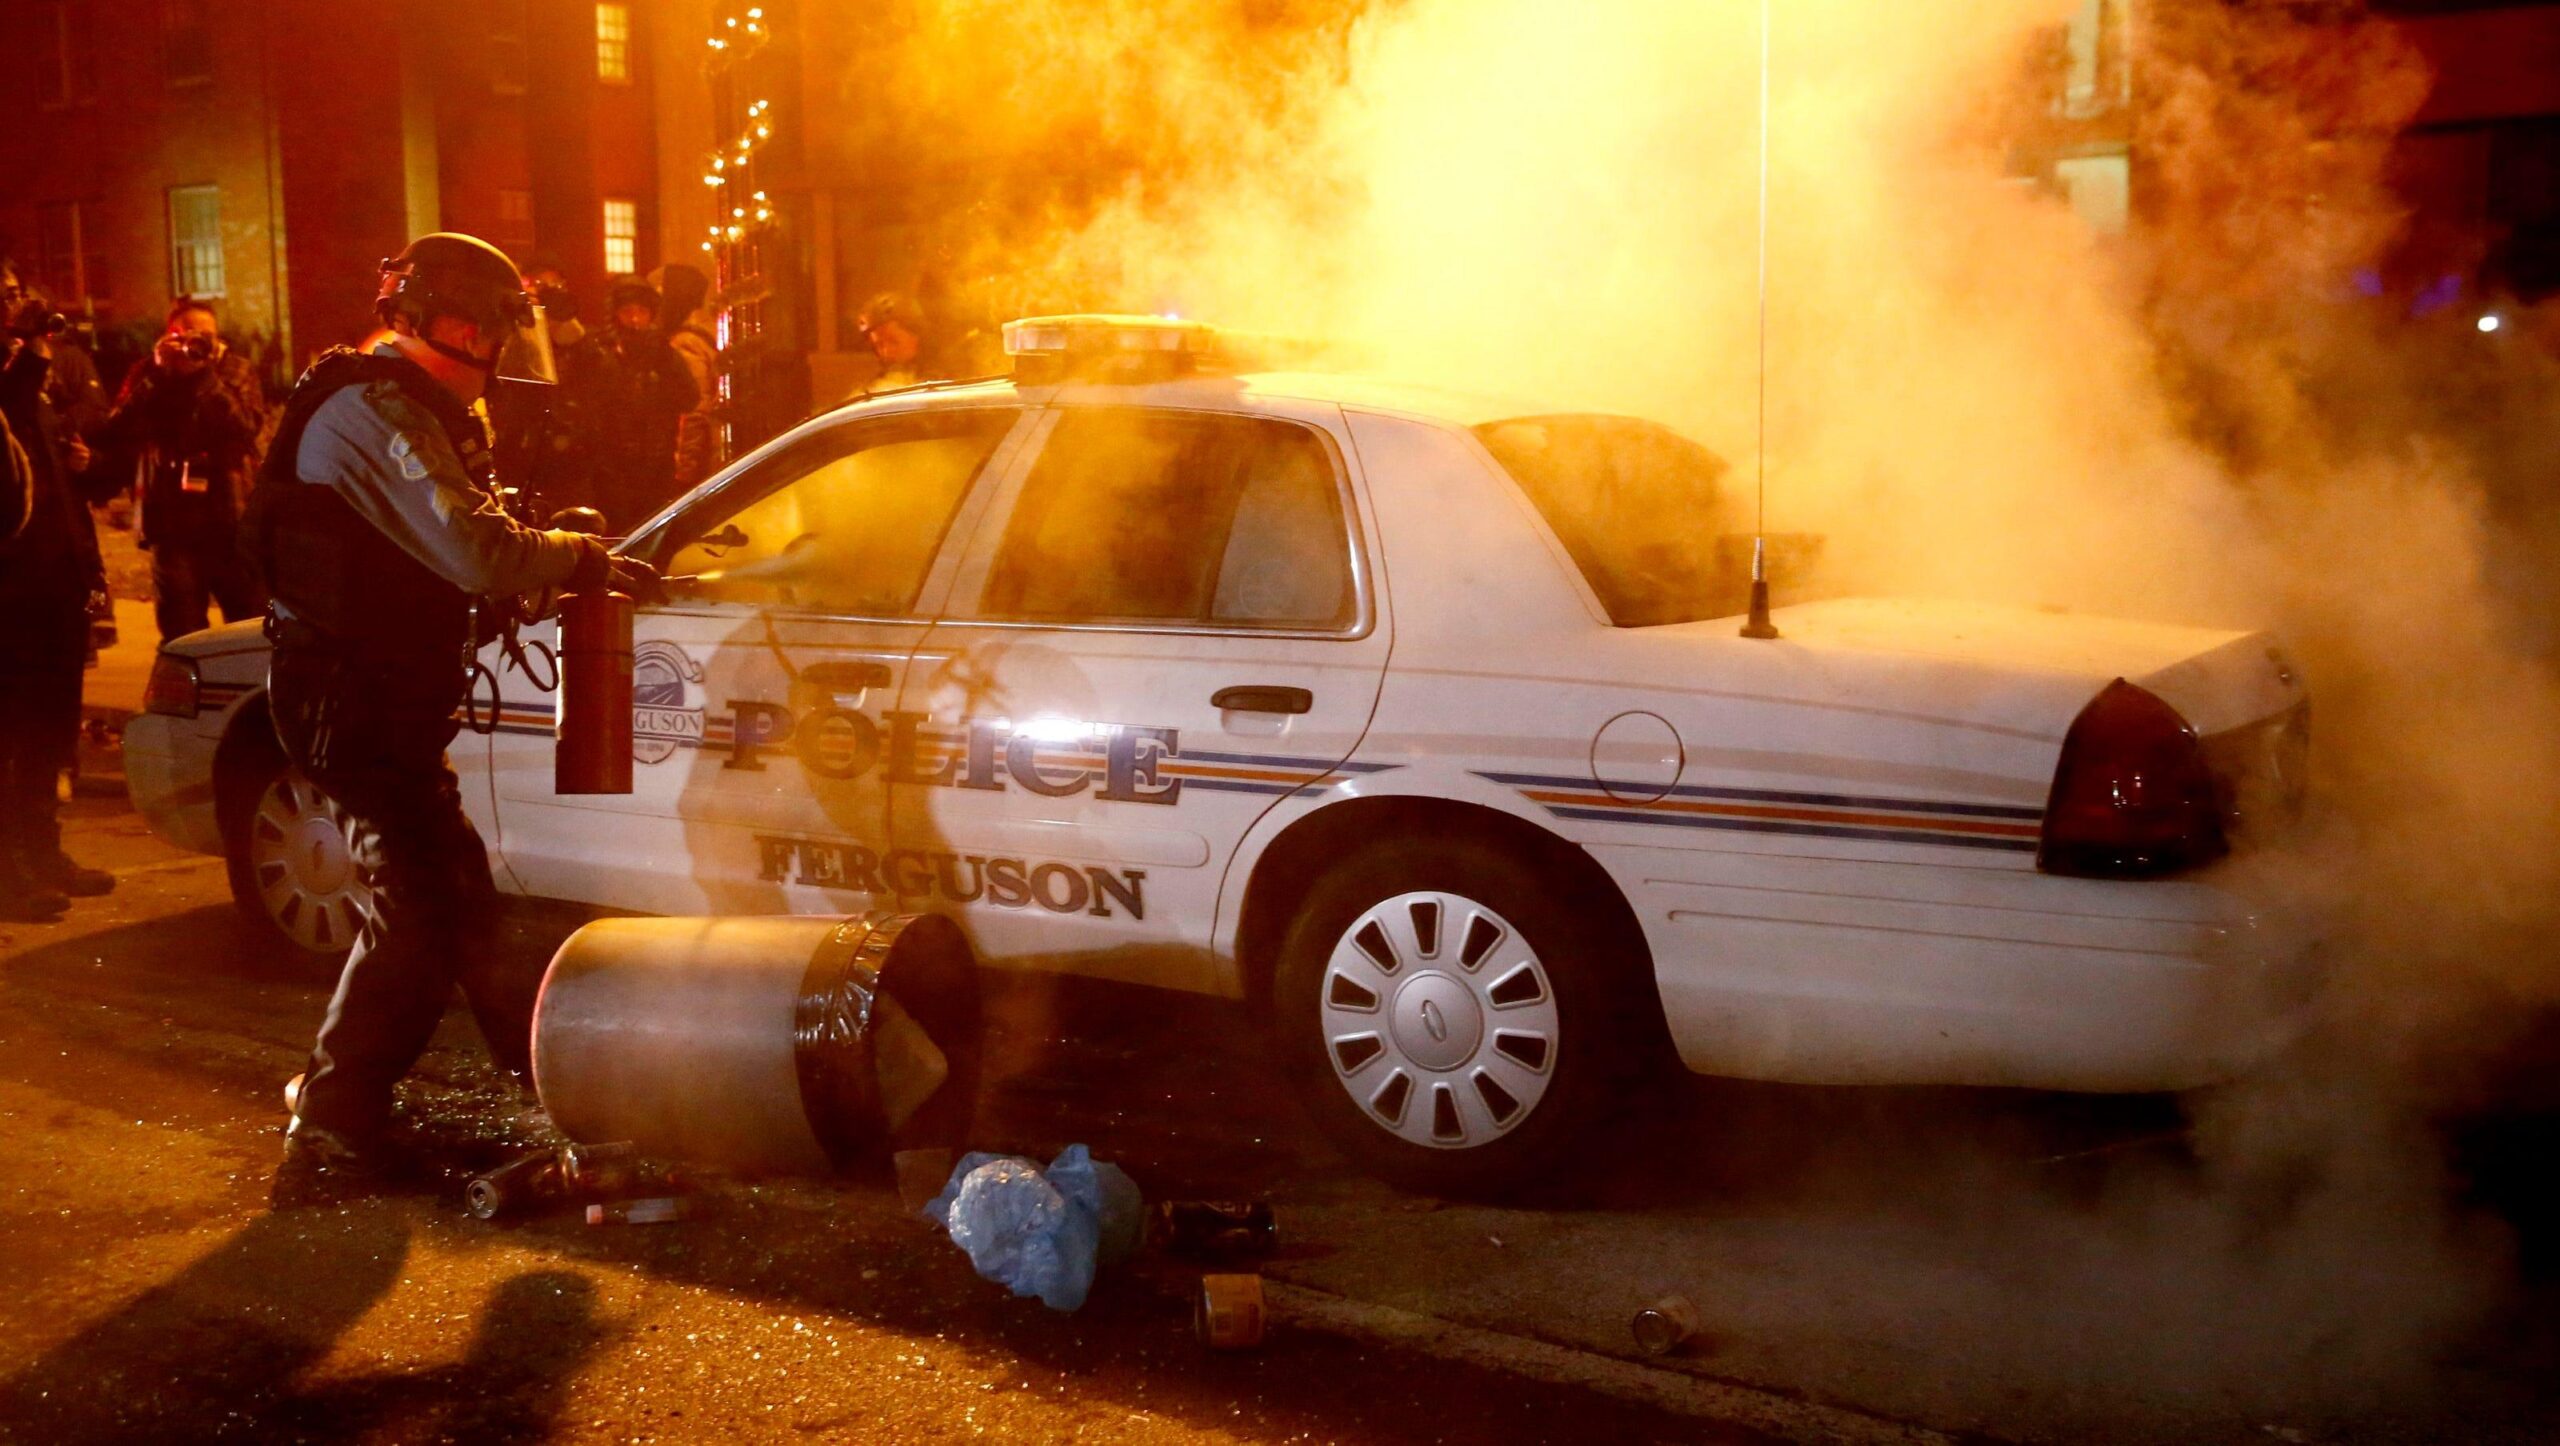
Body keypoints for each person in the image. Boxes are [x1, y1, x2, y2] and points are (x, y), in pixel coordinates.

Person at [241, 232, 659, 1194]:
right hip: (351, 703)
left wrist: (548, 551)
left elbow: (447, 550)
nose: (506, 352)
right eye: (499, 329)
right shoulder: (373, 411)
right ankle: (335, 1126)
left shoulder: (407, 408)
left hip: (380, 696)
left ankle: (557, 1096)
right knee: (425, 911)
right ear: (457, 324)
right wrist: (570, 556)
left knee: (459, 902)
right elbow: (472, 550)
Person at [0, 272, 114, 920]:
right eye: (7, 290)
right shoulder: (14, 376)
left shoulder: (27, 377)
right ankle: (12, 873)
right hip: (11, 590)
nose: (19, 298)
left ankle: (45, 853)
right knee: (12, 741)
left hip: (54, 583)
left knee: (49, 736)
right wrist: (29, 355)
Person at [102, 299, 272, 641]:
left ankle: (248, 694)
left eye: (206, 335)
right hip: (172, 524)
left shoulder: (235, 370)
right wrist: (158, 373)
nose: (198, 342)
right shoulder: (149, 371)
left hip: (232, 520)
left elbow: (245, 428)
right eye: (188, 334)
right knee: (181, 632)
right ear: (170, 336)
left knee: (250, 626)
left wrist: (205, 376)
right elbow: (117, 428)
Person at [559, 278, 697, 531]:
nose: (634, 320)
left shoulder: (665, 356)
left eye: (641, 312)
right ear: (616, 315)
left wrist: (664, 367)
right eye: (628, 312)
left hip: (655, 467)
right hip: (609, 471)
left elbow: (690, 398)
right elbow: (582, 399)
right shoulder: (600, 355)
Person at [649, 262, 720, 489]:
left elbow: (692, 413)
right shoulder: (702, 333)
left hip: (693, 467)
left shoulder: (685, 343)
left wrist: (683, 472)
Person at [852, 291, 934, 396]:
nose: (886, 352)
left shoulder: (941, 385)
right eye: (879, 345)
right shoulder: (872, 385)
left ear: (916, 337)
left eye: (893, 342)